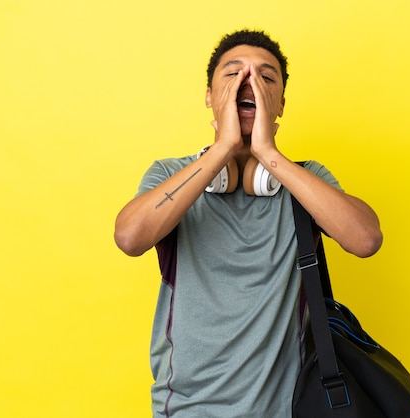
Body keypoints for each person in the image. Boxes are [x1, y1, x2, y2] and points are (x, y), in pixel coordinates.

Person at [114, 29, 383, 418]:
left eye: (265, 77)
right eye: (233, 74)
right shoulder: (171, 174)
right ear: (209, 96)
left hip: (287, 410)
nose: (249, 83)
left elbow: (366, 239)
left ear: (281, 104)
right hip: (189, 410)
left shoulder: (305, 180)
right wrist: (222, 148)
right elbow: (129, 237)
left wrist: (269, 155)